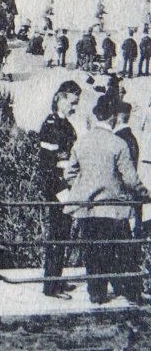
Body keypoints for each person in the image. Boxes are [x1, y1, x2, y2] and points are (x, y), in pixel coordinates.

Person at [64, 95, 149, 304]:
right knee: (117, 250)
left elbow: (69, 174)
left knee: (92, 251)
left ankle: (96, 293)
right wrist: (144, 193)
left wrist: (84, 188)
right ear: (112, 117)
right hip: (112, 208)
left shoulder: (82, 142)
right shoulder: (118, 144)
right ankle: (131, 292)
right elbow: (130, 179)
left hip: (87, 209)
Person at [38, 80, 82, 298]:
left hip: (66, 187)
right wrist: (63, 194)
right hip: (56, 189)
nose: (74, 108)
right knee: (57, 236)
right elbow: (48, 167)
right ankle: (51, 286)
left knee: (62, 235)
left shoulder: (65, 125)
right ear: (61, 98)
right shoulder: (51, 126)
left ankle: (57, 279)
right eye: (73, 103)